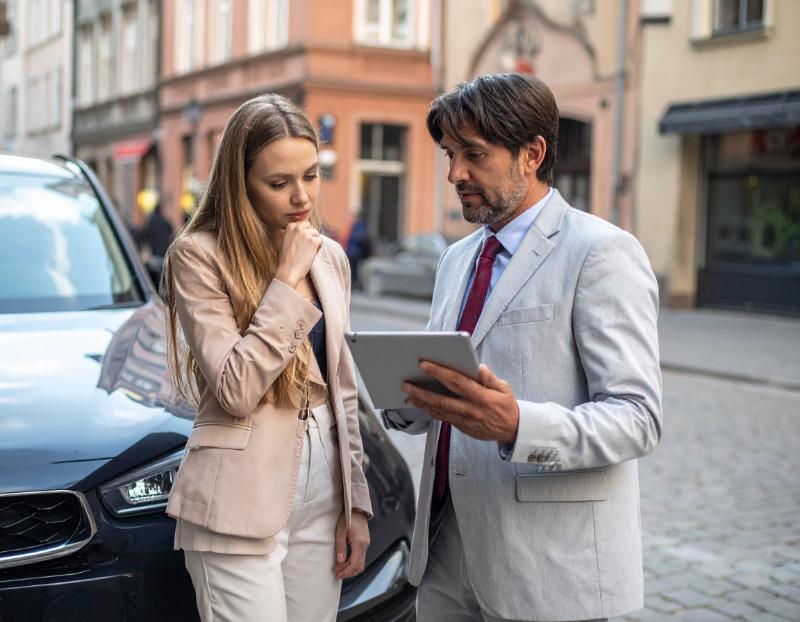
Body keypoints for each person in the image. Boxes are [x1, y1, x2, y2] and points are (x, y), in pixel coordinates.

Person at [383, 73, 662, 622]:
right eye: (448, 154)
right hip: (444, 553)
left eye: (473, 155)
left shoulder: (601, 253)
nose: (454, 173)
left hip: (547, 568)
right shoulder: (456, 260)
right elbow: (440, 393)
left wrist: (516, 425)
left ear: (532, 153)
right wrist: (405, 395)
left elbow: (638, 418)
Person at [162, 93, 372, 622]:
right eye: (279, 184)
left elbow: (343, 391)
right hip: (238, 502)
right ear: (240, 181)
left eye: (311, 175)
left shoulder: (331, 258)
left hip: (323, 500)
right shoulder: (198, 256)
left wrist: (356, 504)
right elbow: (235, 389)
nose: (301, 197)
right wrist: (284, 280)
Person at [345, 209, 372, 285]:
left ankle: (355, 282)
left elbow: (360, 237)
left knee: (354, 268)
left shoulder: (359, 225)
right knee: (353, 268)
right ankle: (354, 282)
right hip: (353, 251)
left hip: (355, 252)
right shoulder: (357, 225)